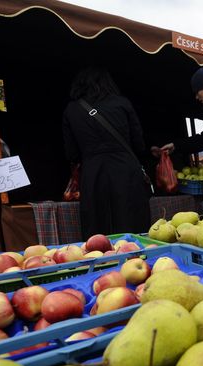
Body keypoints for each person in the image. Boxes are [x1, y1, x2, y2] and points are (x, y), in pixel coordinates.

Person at [62, 66, 151, 239]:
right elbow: (139, 144)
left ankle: (102, 263)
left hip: (93, 174)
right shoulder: (122, 103)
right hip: (126, 171)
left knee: (97, 229)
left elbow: (71, 153)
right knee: (132, 224)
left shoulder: (71, 110)